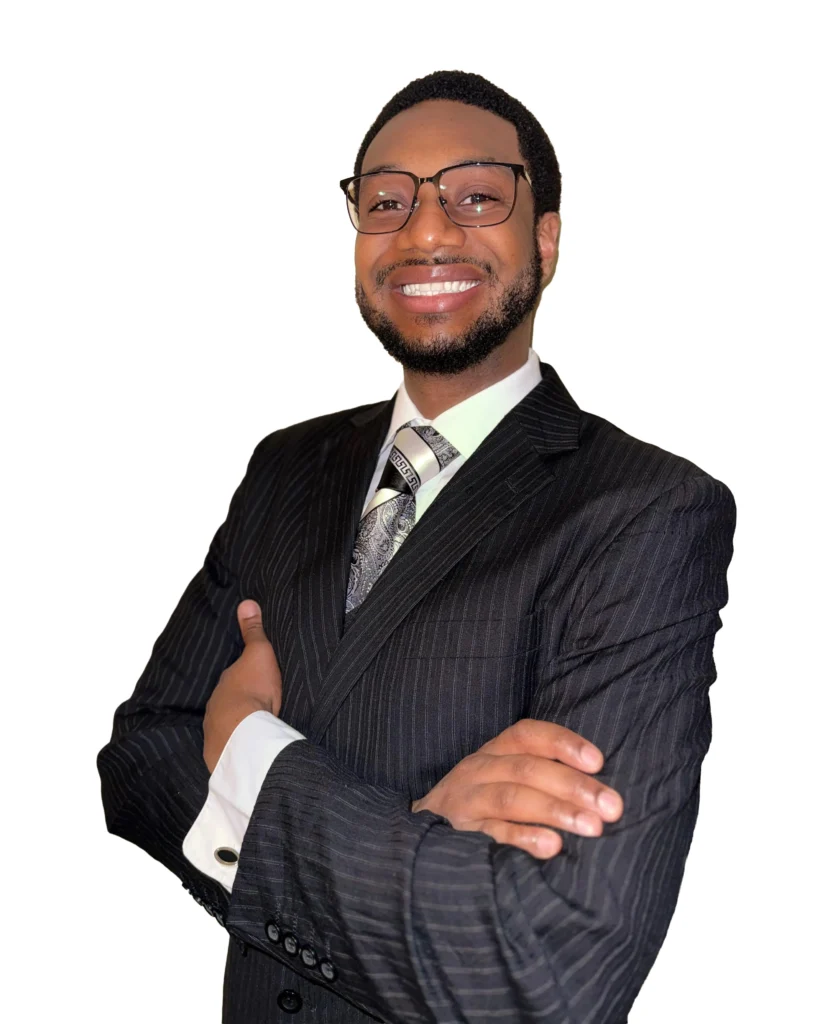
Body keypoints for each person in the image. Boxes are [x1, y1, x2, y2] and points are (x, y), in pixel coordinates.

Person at [97, 69, 736, 1023]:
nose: (425, 231)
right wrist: (418, 829)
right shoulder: (286, 466)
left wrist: (249, 751)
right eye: (388, 201)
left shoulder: (644, 509)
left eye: (476, 196)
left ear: (546, 241)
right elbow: (139, 758)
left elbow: (547, 970)